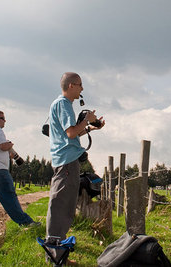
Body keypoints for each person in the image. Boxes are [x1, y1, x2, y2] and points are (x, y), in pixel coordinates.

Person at [45, 72, 105, 262]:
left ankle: (56, 250)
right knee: (61, 206)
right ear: (71, 85)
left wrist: (90, 128)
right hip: (67, 162)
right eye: (80, 85)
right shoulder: (63, 104)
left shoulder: (62, 105)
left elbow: (69, 133)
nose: (82, 88)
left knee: (64, 205)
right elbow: (71, 133)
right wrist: (87, 118)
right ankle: (54, 254)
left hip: (66, 160)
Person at [0, 110, 40, 238]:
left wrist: (10, 153)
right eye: (3, 119)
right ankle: (26, 223)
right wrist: (10, 144)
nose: (5, 121)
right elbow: (3, 146)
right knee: (9, 197)